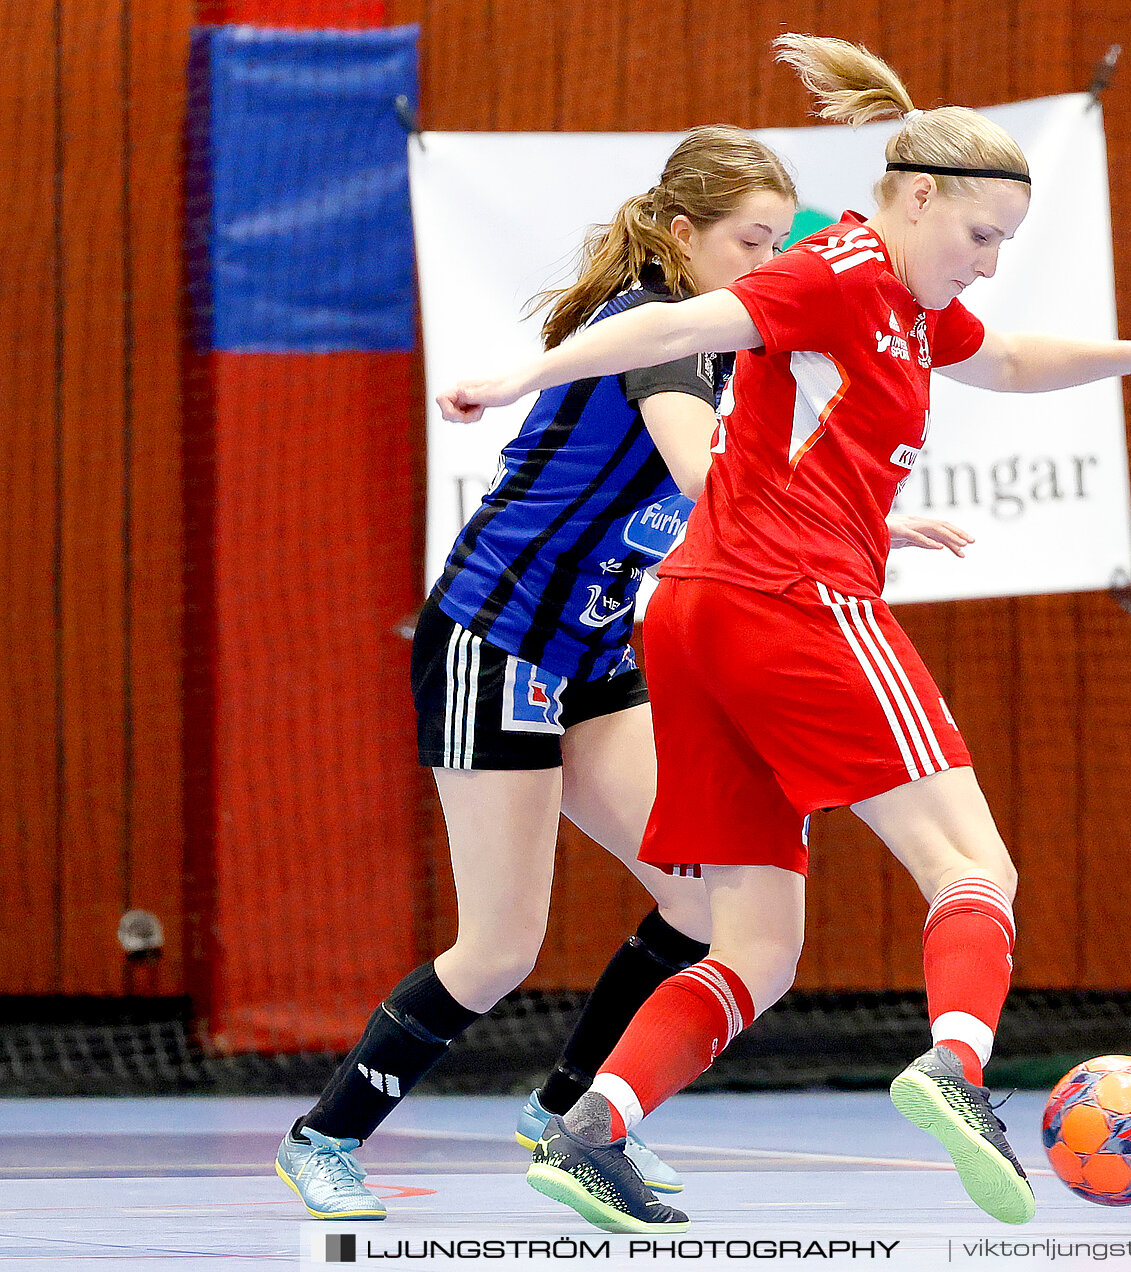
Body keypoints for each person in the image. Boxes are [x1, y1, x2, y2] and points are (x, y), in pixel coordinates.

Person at [437, 34, 1131, 1235]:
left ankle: (592, 1129)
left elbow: (1016, 357)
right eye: (980, 239)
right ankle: (956, 1073)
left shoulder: (907, 305)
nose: (986, 269)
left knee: (757, 948)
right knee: (976, 869)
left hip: (697, 620)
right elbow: (675, 325)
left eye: (1007, 250)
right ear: (916, 197)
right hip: (790, 602)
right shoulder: (839, 268)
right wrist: (521, 378)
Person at [281, 126, 812, 1222]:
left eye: (779, 244)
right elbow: (707, 480)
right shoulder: (659, 336)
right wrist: (852, 533)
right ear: (683, 236)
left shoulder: (721, 346)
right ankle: (323, 1137)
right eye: (748, 242)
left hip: (591, 654)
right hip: (498, 639)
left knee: (704, 893)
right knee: (501, 945)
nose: (765, 265)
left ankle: (566, 1113)